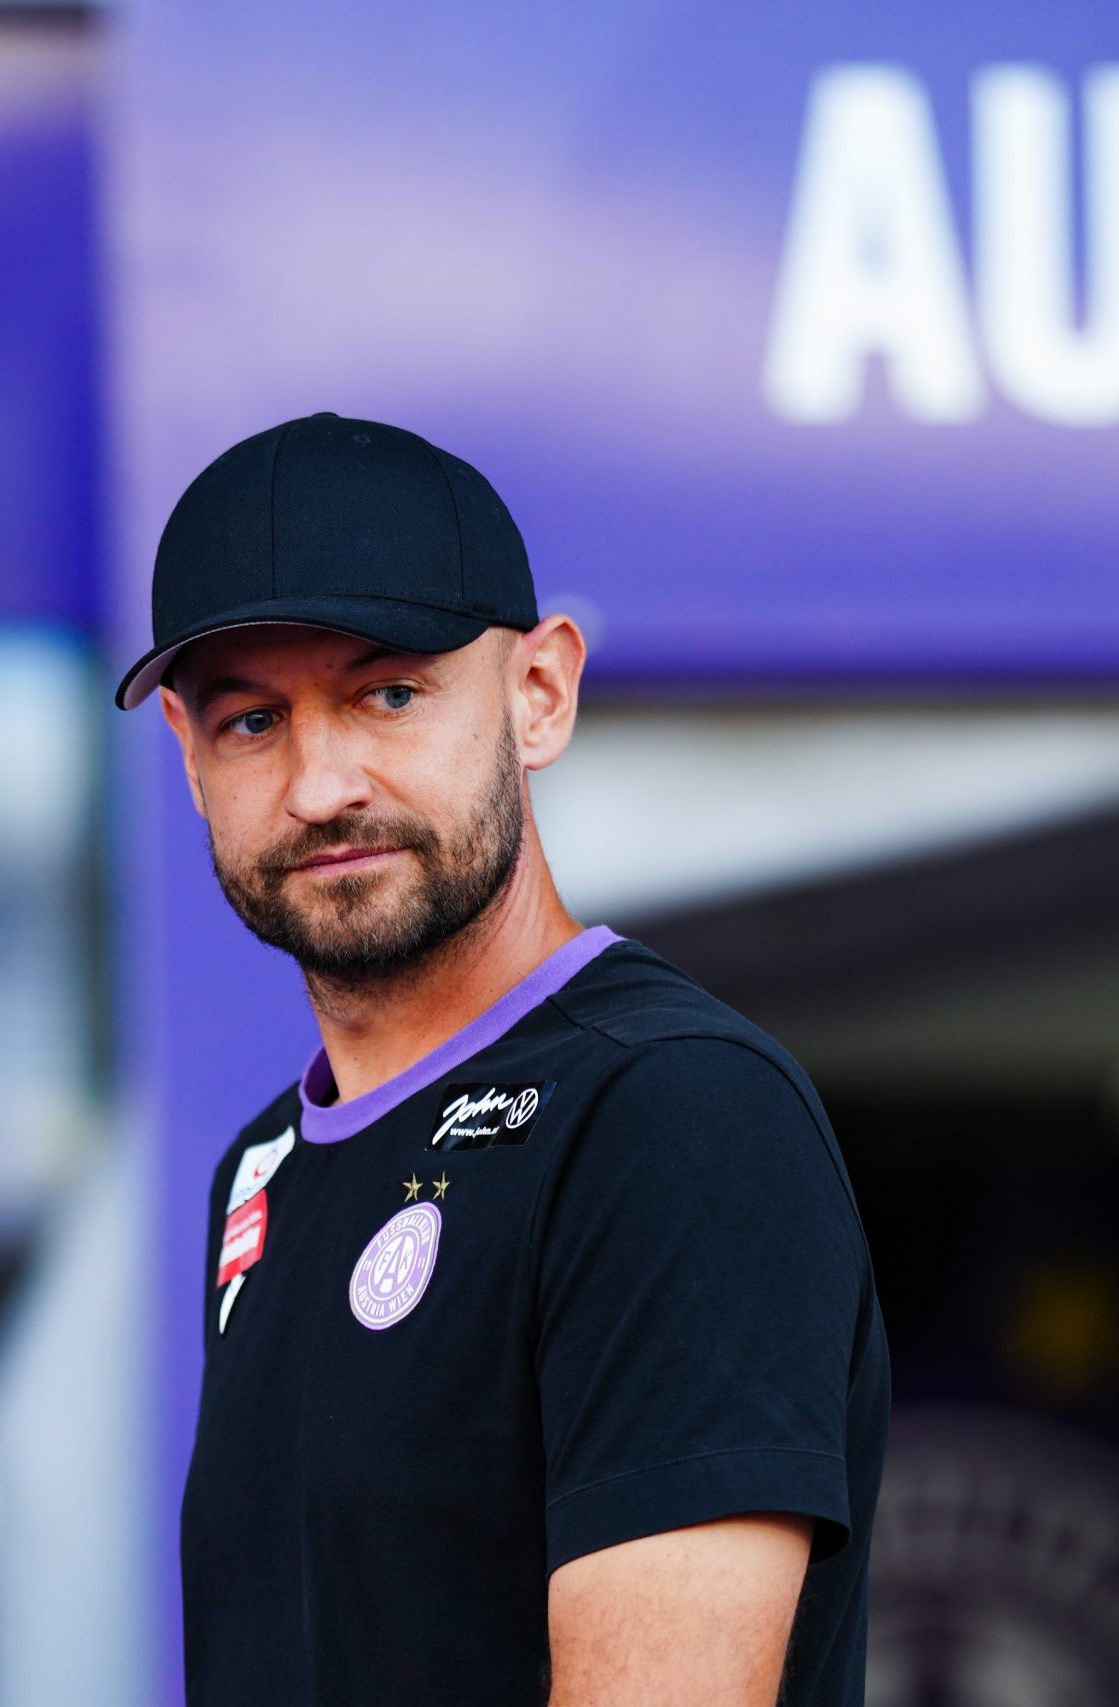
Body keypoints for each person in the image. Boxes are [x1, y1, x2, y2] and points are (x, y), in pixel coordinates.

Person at [116, 411, 891, 1707]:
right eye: (252, 721)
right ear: (193, 765)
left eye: (388, 693)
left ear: (539, 693)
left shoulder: (673, 1114)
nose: (319, 783)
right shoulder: (260, 1169)